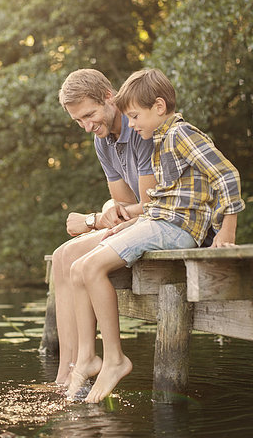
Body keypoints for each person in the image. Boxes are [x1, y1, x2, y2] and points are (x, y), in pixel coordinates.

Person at [66, 68, 245, 403]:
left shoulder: (181, 134)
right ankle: (88, 357)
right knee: (77, 269)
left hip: (176, 229)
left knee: (90, 269)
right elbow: (165, 200)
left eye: (134, 116)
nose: (131, 124)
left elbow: (227, 175)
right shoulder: (161, 140)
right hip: (160, 221)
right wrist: (125, 221)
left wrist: (226, 228)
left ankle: (115, 359)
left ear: (159, 107)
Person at [52, 69, 156, 386]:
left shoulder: (139, 129)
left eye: (89, 115)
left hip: (159, 222)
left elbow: (151, 204)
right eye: (78, 121)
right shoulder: (103, 140)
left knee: (76, 256)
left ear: (109, 97)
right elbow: (122, 203)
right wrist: (109, 212)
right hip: (135, 220)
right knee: (61, 257)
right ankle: (68, 372)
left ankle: (80, 367)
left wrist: (94, 220)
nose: (86, 127)